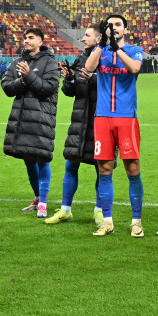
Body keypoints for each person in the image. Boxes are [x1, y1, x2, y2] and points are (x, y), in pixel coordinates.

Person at [83, 15, 145, 238]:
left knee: (132, 169)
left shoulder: (135, 50)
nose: (114, 27)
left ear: (125, 29)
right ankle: (107, 221)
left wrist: (116, 48)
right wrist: (101, 45)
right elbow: (89, 69)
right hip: (102, 118)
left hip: (126, 118)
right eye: (110, 25)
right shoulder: (100, 52)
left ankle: (136, 221)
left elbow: (135, 68)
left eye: (118, 24)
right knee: (104, 169)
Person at [45, 26, 104, 225]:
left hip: (101, 120)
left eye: (87, 35)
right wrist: (69, 79)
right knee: (71, 164)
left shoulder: (108, 59)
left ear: (99, 38)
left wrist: (93, 78)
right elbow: (71, 92)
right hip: (80, 120)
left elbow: (113, 86)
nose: (83, 39)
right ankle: (65, 209)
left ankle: (99, 210)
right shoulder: (80, 60)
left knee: (101, 168)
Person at [1, 28, 60, 218]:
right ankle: (37, 198)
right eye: (24, 38)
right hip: (21, 119)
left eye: (30, 38)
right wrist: (24, 81)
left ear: (41, 41)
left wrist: (28, 76)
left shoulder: (49, 62)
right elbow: (7, 87)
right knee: (28, 159)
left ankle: (43, 202)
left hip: (41, 118)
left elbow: (49, 88)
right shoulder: (17, 62)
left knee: (42, 158)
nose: (26, 41)